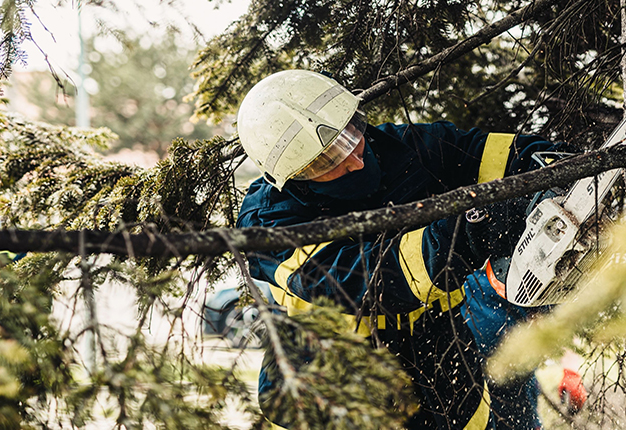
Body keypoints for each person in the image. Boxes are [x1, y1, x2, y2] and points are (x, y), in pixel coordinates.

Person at [235, 70, 564, 429]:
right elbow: (369, 280)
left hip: (447, 372)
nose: (354, 159)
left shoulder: (403, 148)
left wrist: (550, 168)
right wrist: (468, 230)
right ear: (292, 176)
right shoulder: (268, 223)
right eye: (325, 161)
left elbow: (496, 153)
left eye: (350, 134)